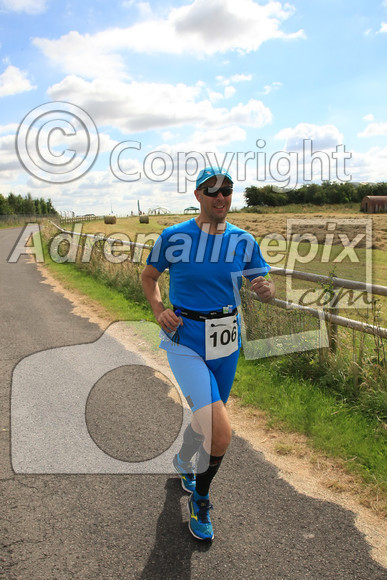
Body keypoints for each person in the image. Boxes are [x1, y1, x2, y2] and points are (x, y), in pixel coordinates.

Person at [141, 167, 275, 541]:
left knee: (208, 421)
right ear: (198, 195)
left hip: (226, 340)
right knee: (219, 431)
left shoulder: (244, 240)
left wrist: (267, 291)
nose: (221, 198)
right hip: (185, 339)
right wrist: (158, 310)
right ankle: (200, 500)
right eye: (212, 191)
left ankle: (184, 461)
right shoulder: (173, 237)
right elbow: (148, 277)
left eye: (227, 191)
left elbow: (261, 282)